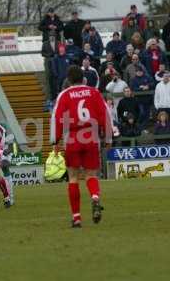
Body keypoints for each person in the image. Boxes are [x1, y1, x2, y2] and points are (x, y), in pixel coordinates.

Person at [51, 65, 112, 228]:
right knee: (91, 175)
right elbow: (104, 114)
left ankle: (76, 217)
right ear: (83, 78)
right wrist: (108, 136)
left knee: (73, 177)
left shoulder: (64, 95)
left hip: (72, 138)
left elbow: (57, 118)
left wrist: (55, 141)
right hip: (91, 136)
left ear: (69, 80)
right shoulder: (94, 92)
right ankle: (94, 197)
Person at [130, 66, 154, 132]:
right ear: (136, 72)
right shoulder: (133, 79)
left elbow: (153, 83)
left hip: (148, 99)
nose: (139, 73)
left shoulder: (147, 77)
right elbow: (132, 88)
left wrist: (148, 86)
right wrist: (141, 88)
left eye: (140, 71)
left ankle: (143, 128)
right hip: (138, 100)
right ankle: (139, 127)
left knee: (147, 115)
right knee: (141, 113)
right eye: (138, 72)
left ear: (142, 72)